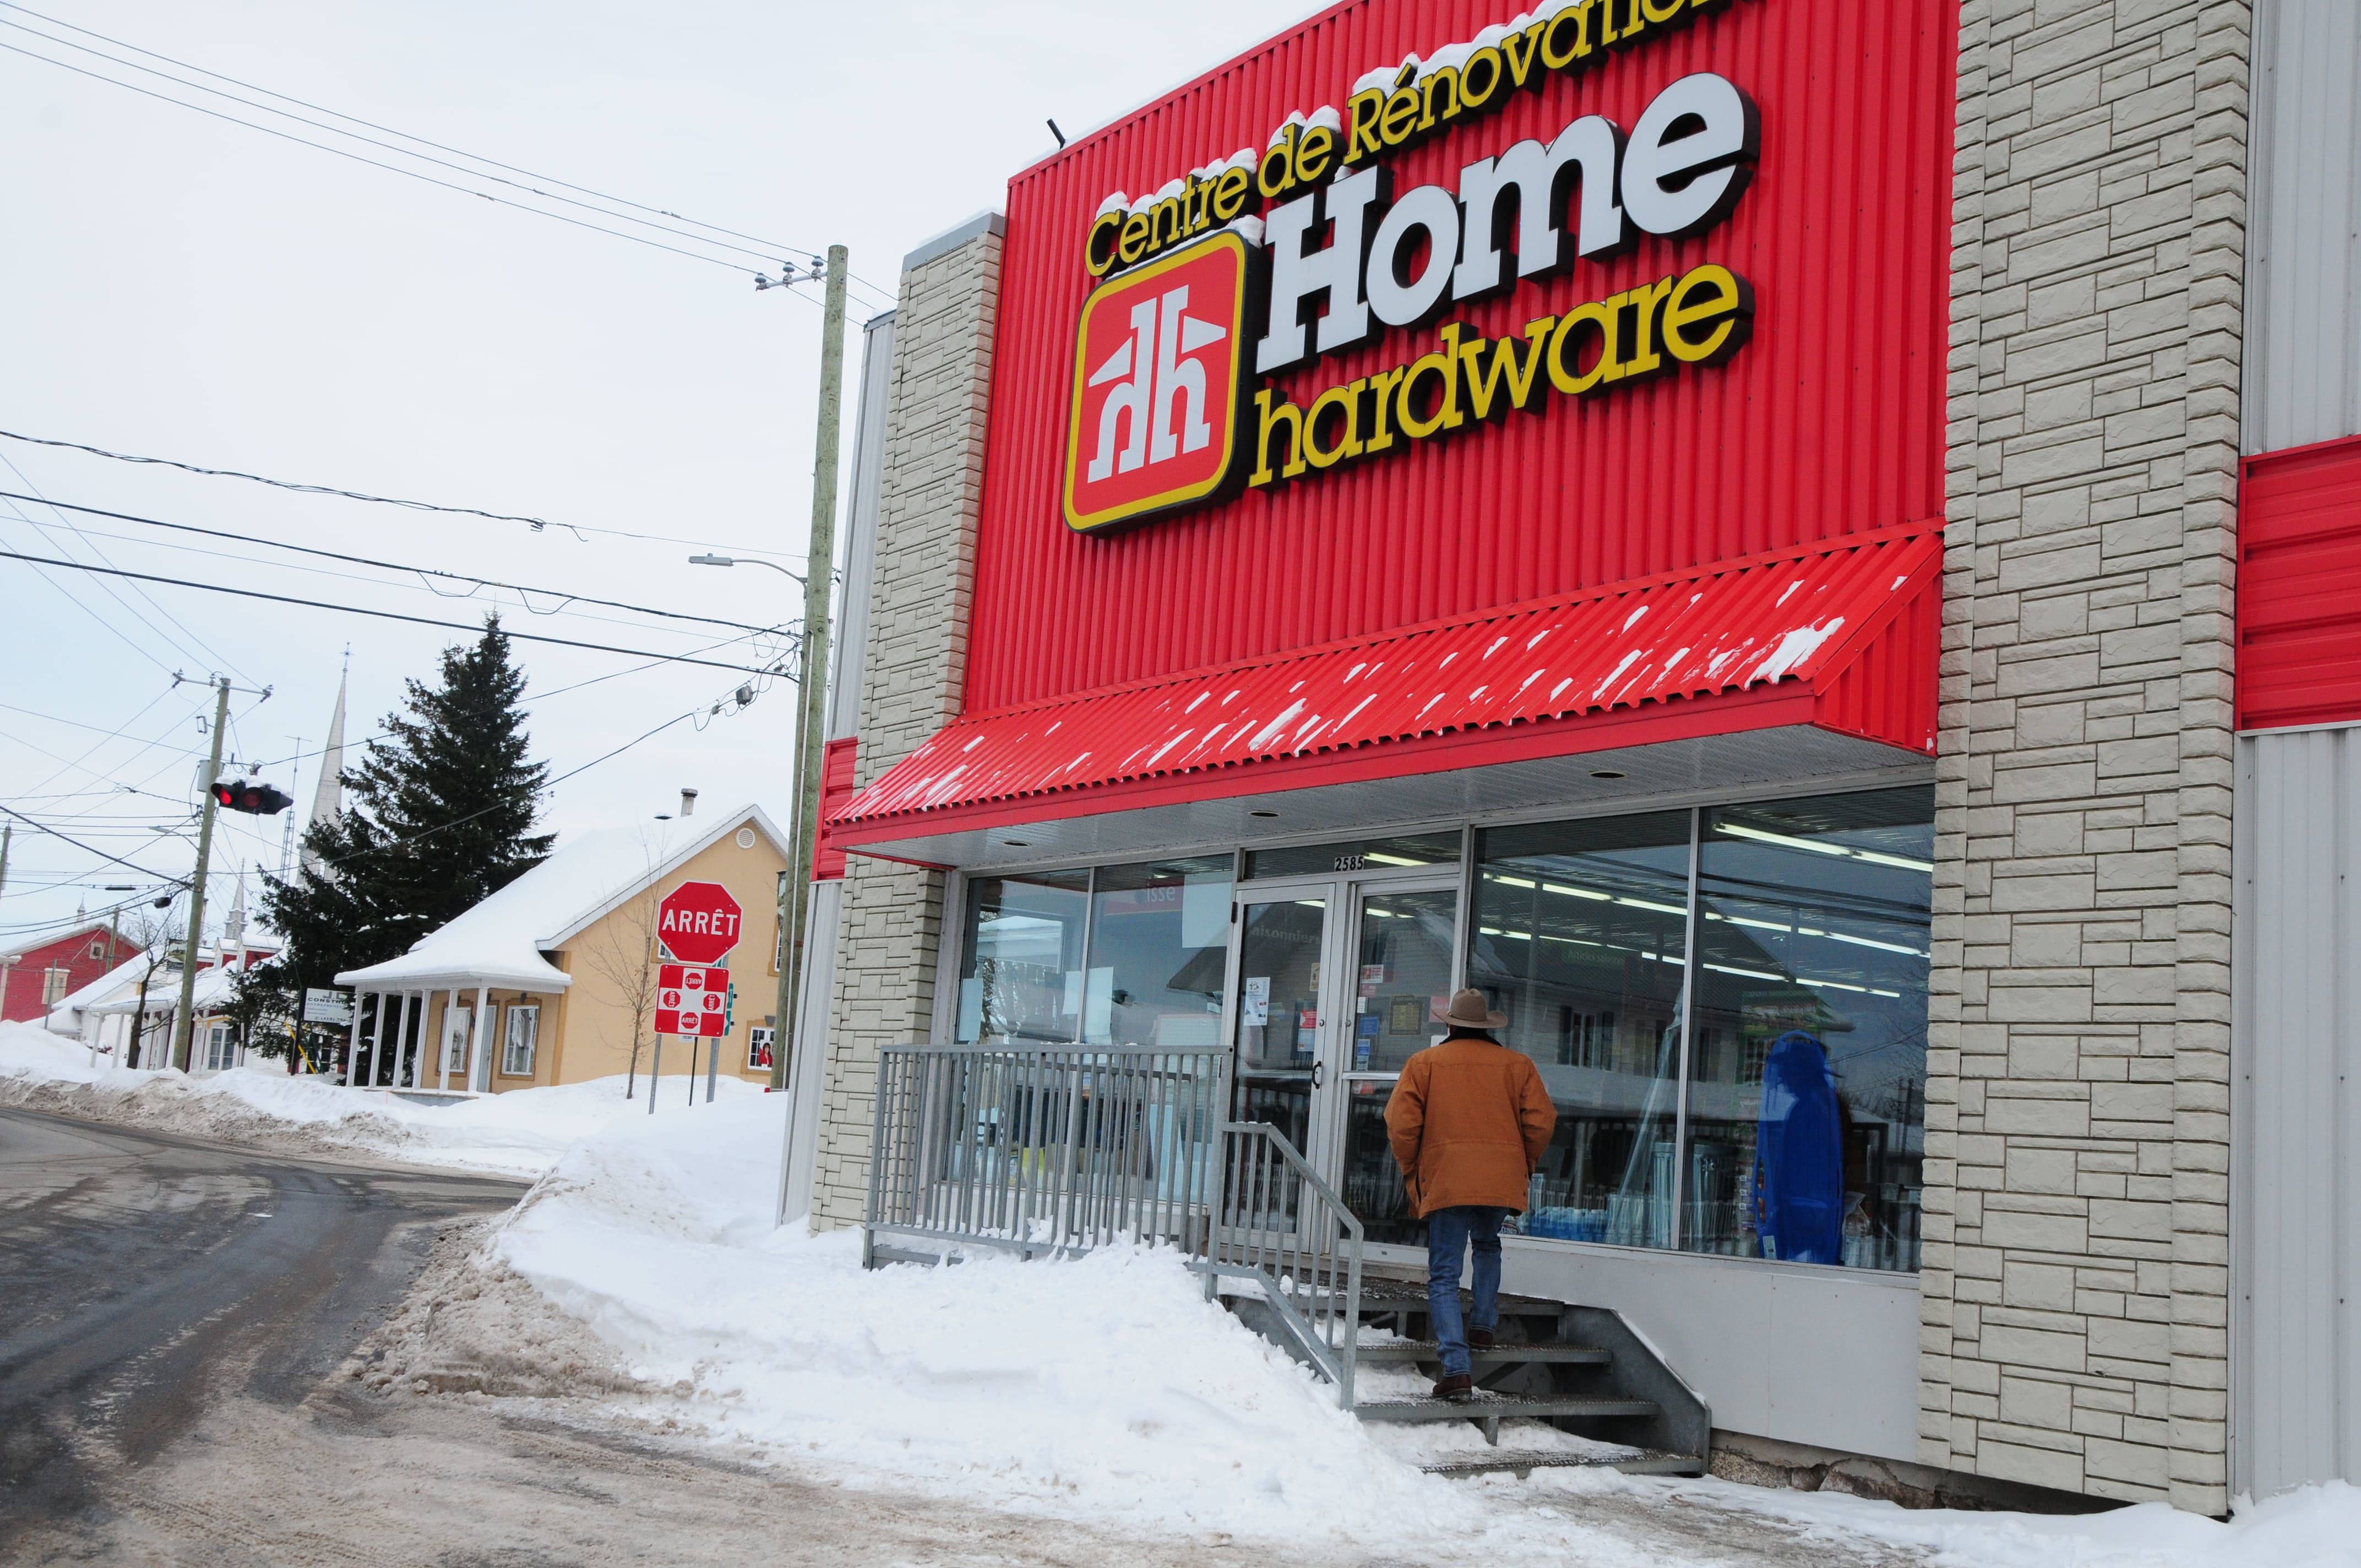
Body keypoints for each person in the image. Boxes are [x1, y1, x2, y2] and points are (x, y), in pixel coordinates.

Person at [1384, 989, 1557, 1402]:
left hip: (1446, 1178)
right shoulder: (1519, 1065)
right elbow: (1542, 1123)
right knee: (1488, 1245)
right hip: (1499, 1179)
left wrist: (1414, 1169)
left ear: (1450, 1024)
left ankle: (1457, 1370)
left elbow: (1401, 1126)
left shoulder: (1424, 1064)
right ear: (1486, 1026)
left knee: (1444, 1274)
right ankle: (1482, 1325)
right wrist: (1522, 1163)